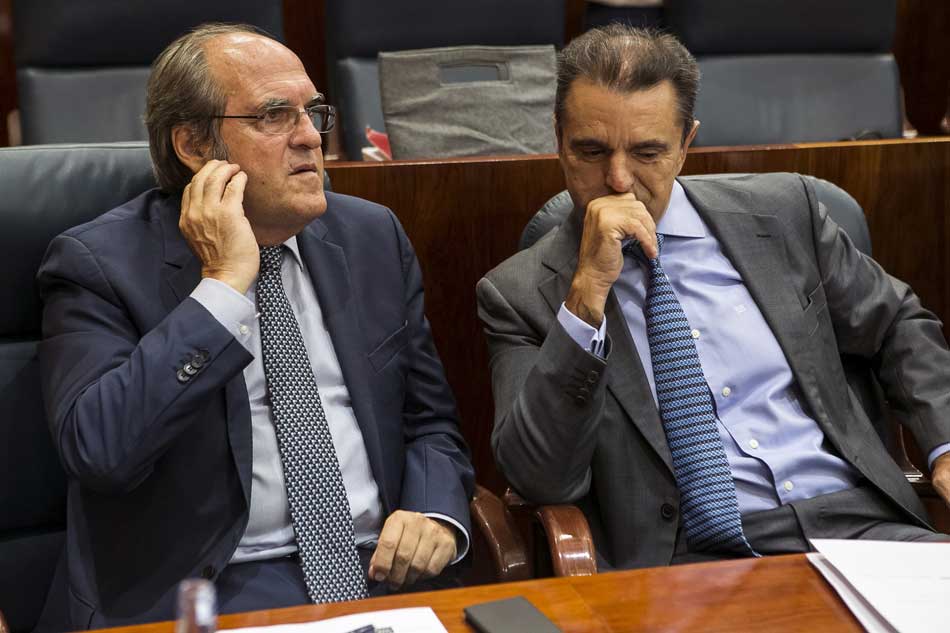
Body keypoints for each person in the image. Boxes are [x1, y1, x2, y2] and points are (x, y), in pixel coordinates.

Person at [36, 23, 474, 631]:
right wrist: (221, 285)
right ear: (194, 144)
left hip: (381, 576)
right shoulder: (99, 264)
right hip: (211, 590)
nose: (310, 139)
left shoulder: (372, 236)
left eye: (314, 112)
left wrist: (434, 511)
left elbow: (429, 421)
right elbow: (101, 451)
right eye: (274, 115)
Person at [477, 25, 950, 571]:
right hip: (691, 562)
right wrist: (586, 298)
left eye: (648, 151)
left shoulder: (785, 214)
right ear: (558, 139)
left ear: (686, 144)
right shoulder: (517, 296)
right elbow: (540, 475)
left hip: (861, 529)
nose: (618, 179)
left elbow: (897, 325)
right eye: (591, 150)